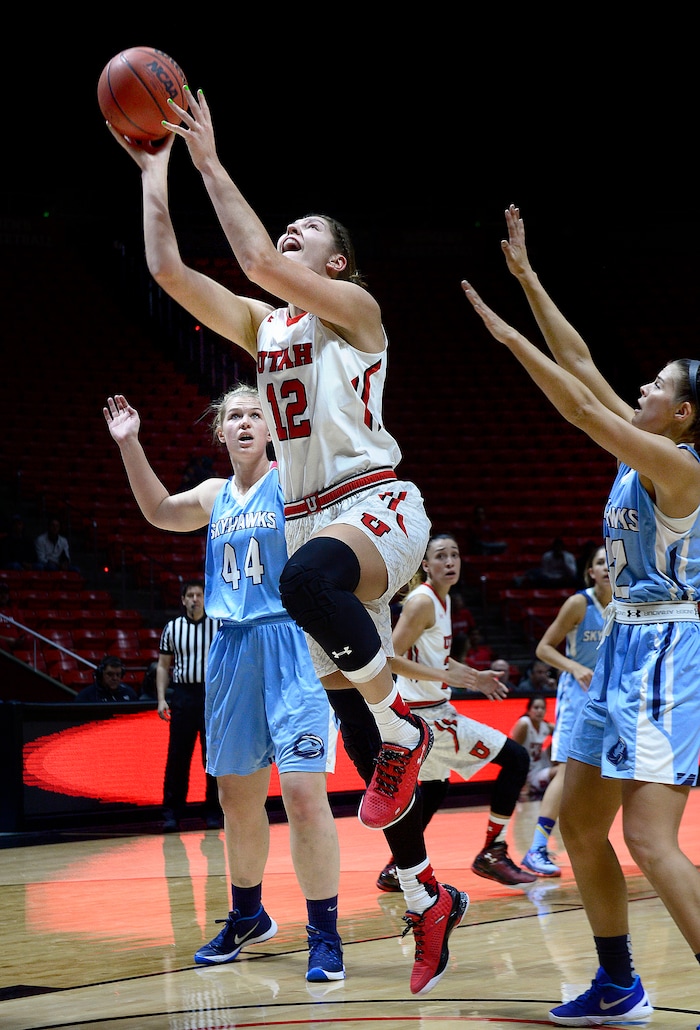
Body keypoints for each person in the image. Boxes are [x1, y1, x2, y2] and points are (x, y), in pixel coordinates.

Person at [107, 93, 467, 997]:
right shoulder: (266, 329)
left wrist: (209, 159)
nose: (289, 236)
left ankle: (408, 728)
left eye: (307, 229)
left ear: (336, 262)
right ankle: (425, 893)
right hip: (313, 521)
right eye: (291, 227)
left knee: (306, 582)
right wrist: (156, 175)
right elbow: (173, 273)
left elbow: (255, 256)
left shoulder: (355, 311)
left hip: (373, 503)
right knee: (354, 733)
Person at [461, 202, 700, 1025]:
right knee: (586, 828)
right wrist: (529, 279)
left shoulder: (678, 468)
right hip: (616, 658)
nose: (642, 388)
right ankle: (617, 983)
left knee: (651, 841)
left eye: (658, 386)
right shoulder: (642, 445)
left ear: (683, 415)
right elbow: (584, 364)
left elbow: (578, 405)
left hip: (669, 648)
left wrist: (506, 340)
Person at [104, 386, 345, 984]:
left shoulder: (292, 482)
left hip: (293, 644)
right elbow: (159, 511)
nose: (242, 423)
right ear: (220, 432)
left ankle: (324, 932)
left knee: (304, 796)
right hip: (231, 650)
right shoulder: (215, 496)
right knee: (236, 801)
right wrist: (130, 443)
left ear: (271, 429)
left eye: (254, 414)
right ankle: (247, 915)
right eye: (233, 416)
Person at [375, 532, 536, 893]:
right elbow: (389, 660)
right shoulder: (422, 602)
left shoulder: (444, 602)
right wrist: (445, 675)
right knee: (517, 758)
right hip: (425, 715)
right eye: (441, 556)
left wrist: (471, 674)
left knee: (434, 789)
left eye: (455, 555)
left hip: (429, 708)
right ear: (426, 565)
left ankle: (397, 868)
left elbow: (431, 657)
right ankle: (492, 853)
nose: (450, 562)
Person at [521, 544, 611, 878]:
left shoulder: (624, 604)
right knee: (565, 770)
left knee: (608, 773)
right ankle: (536, 848)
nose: (606, 567)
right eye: (599, 563)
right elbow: (543, 648)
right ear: (590, 571)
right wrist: (573, 667)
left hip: (613, 696)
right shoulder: (579, 603)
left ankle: (591, 843)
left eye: (610, 562)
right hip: (578, 694)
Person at [156, 580, 222, 832]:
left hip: (211, 695)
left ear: (205, 599)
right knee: (177, 759)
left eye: (199, 595)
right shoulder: (172, 628)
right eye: (190, 595)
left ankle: (213, 812)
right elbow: (163, 666)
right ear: (183, 600)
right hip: (183, 695)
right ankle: (172, 813)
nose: (195, 599)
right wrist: (162, 698)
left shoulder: (218, 625)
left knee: (212, 758)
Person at [509, 694, 556, 801]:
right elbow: (513, 755)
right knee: (560, 772)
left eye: (542, 708)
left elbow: (563, 732)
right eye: (536, 707)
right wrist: (522, 782)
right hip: (529, 772)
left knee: (560, 741)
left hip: (540, 764)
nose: (539, 711)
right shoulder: (524, 724)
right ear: (529, 710)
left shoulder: (544, 726)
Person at [74, 655, 139, 702]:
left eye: (118, 674)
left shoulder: (129, 693)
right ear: (100, 674)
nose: (115, 678)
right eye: (110, 674)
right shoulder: (86, 695)